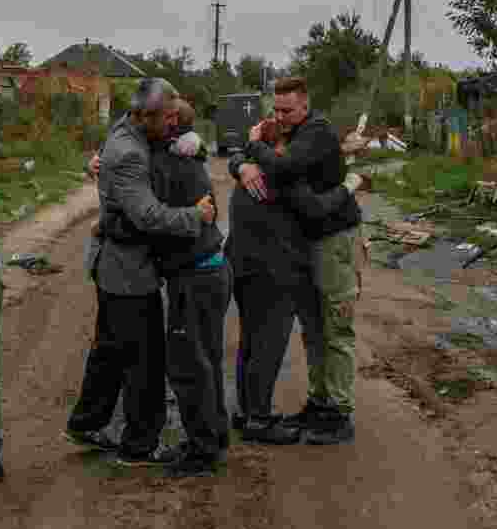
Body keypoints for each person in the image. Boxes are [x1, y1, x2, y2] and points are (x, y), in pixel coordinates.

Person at [65, 78, 216, 467]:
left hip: (117, 263)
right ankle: (139, 444)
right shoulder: (130, 151)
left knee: (110, 351)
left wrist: (195, 144)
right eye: (166, 118)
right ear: (145, 115)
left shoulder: (127, 128)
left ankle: (85, 423)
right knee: (144, 360)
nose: (171, 124)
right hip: (127, 270)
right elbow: (147, 215)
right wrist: (194, 216)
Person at [97, 99, 230, 477]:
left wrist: (108, 224)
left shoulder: (162, 165)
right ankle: (214, 437)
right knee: (207, 360)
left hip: (194, 276)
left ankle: (203, 452)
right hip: (210, 271)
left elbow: (144, 221)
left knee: (188, 366)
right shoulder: (185, 158)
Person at [230, 76, 364, 445]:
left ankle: (339, 412)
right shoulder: (291, 137)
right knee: (314, 327)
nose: (282, 115)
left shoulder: (316, 132)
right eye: (277, 110)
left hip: (333, 239)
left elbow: (287, 173)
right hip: (309, 245)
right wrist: (243, 162)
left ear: (305, 106)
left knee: (336, 326)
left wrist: (253, 151)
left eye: (288, 110)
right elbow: (264, 160)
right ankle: (320, 403)